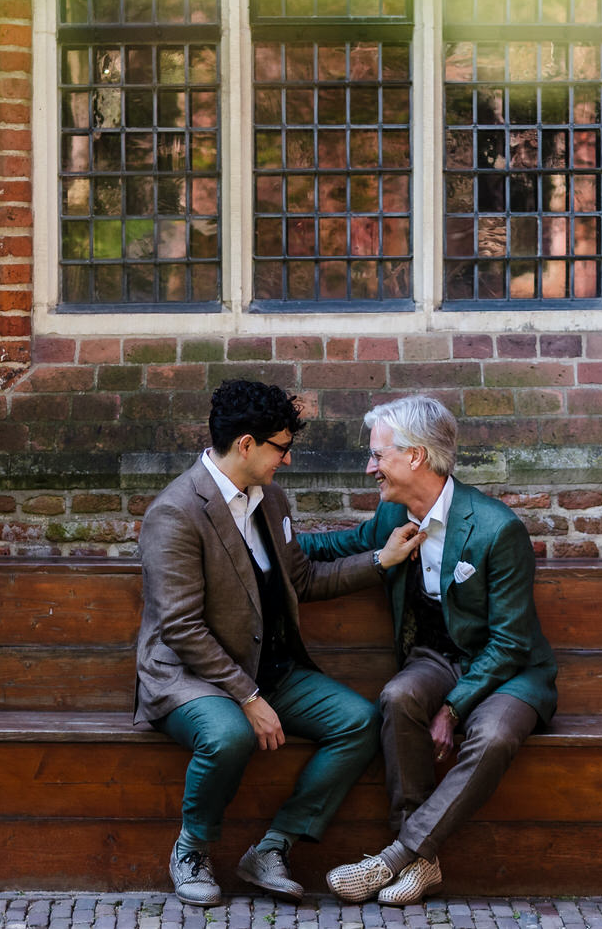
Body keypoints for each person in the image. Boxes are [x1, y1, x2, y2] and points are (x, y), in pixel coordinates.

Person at [134, 379, 423, 906]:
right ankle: (191, 851)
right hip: (189, 677)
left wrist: (381, 560)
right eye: (281, 448)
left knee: (359, 721)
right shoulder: (175, 512)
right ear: (246, 444)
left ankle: (272, 847)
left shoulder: (270, 500)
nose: (286, 460)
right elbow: (181, 627)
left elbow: (304, 581)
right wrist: (247, 698)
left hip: (268, 670)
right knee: (228, 736)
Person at [300, 394, 558, 906]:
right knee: (397, 699)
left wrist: (454, 708)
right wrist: (255, 542)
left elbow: (510, 642)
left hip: (511, 671)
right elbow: (338, 546)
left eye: (379, 455)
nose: (371, 467)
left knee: (493, 735)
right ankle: (424, 865)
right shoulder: (393, 513)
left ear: (415, 456)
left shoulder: (495, 529)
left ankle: (397, 857)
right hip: (436, 658)